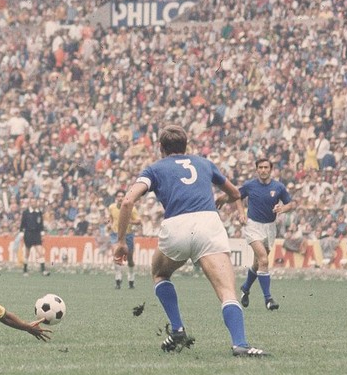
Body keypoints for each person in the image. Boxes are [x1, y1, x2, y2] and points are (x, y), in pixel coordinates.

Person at [114, 125, 268, 357]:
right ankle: (240, 344)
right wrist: (223, 201)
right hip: (209, 223)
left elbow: (127, 202)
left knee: (160, 274)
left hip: (176, 225)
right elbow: (236, 193)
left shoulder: (154, 168)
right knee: (227, 291)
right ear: (186, 146)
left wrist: (121, 241)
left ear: (160, 148)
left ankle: (177, 329)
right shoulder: (204, 163)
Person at [235, 158, 293, 311]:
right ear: (256, 169)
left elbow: (291, 203)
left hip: (270, 227)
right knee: (263, 259)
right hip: (252, 225)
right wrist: (241, 213)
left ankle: (245, 288)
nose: (263, 170)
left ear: (271, 169)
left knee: (258, 263)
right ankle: (268, 299)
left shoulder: (278, 187)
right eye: (260, 167)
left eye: (266, 167)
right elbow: (237, 197)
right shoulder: (250, 185)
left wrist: (283, 209)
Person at [106, 189, 140, 289]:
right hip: (115, 234)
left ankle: (131, 279)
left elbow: (138, 221)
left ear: (125, 197)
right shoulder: (111, 207)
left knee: (129, 259)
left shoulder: (131, 208)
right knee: (116, 255)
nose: (120, 198)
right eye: (118, 196)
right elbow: (110, 218)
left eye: (122, 196)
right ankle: (118, 279)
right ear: (116, 198)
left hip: (127, 235)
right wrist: (109, 224)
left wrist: (129, 221)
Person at [19, 197, 50, 276]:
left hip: (36, 234)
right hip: (28, 234)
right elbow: (22, 224)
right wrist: (21, 233)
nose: (33, 203)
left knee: (40, 252)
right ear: (30, 203)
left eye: (35, 202)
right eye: (32, 202)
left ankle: (43, 270)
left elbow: (41, 224)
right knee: (27, 253)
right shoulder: (26, 212)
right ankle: (25, 270)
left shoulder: (39, 212)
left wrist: (42, 233)